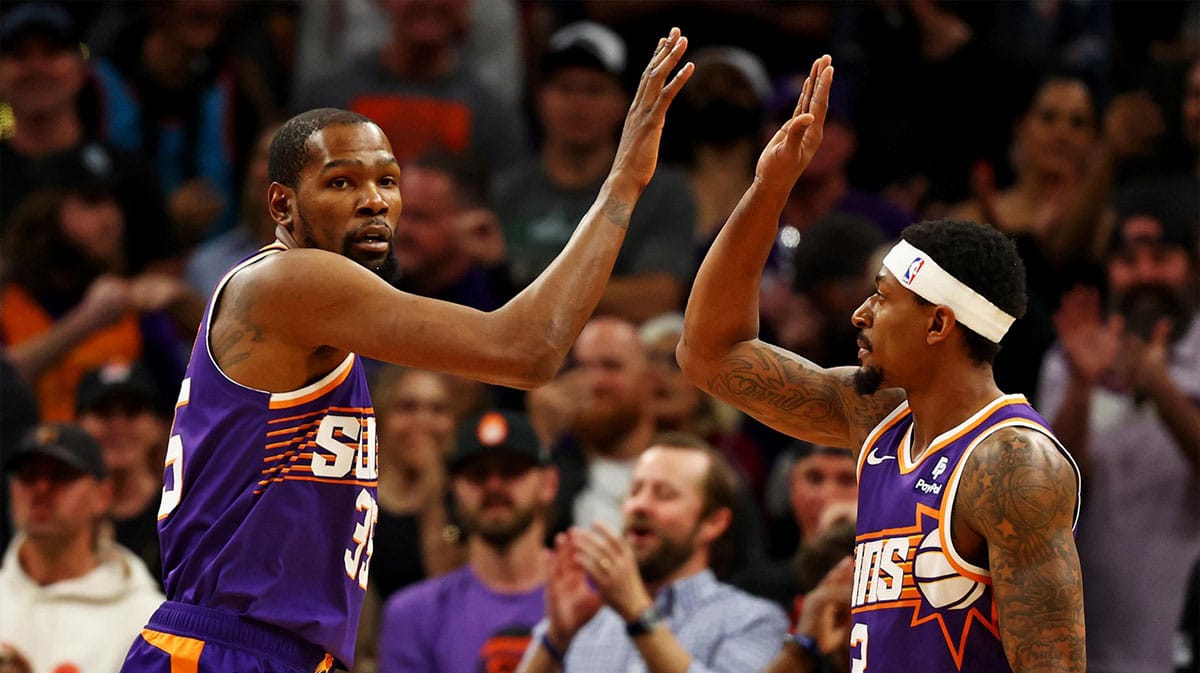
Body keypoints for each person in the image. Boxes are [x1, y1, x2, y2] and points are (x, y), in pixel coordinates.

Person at [119, 28, 694, 673]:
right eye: (340, 183)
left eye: (387, 181)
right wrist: (623, 183)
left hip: (280, 648)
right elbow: (528, 350)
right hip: (229, 647)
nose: (373, 201)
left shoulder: (315, 314)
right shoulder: (294, 282)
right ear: (281, 203)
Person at [677, 55, 1085, 671]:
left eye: (883, 298)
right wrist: (769, 190)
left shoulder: (1012, 464)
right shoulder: (875, 419)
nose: (859, 315)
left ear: (939, 324)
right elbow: (709, 355)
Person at [1037, 184, 1199, 673]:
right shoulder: (1068, 359)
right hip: (1089, 643)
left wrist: (1159, 387)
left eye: (1162, 257)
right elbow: (1047, 494)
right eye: (1129, 260)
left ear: (1191, 265)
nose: (1145, 274)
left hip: (1184, 632)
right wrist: (1082, 389)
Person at [516, 434, 789, 673]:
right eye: (635, 490)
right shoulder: (585, 622)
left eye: (664, 494)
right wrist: (556, 637)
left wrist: (639, 614)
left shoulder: (753, 620)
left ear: (713, 523)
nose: (640, 505)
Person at [491, 21, 696, 323]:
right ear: (539, 98)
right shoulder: (504, 189)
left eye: (594, 90)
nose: (577, 103)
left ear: (623, 102)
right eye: (565, 88)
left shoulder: (662, 191)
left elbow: (657, 297)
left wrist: (519, 270)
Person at [377, 410, 558, 673]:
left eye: (511, 471)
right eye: (477, 474)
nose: (494, 486)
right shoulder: (413, 614)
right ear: (453, 489)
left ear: (549, 483)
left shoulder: (590, 601)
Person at [0, 422, 163, 673]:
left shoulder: (146, 623)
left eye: (61, 475)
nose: (41, 488)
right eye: (28, 475)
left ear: (103, 495)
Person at [75, 361, 170, 585]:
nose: (118, 426)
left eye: (132, 411)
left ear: (158, 427)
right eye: (103, 413)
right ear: (79, 426)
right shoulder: (63, 515)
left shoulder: (182, 514)